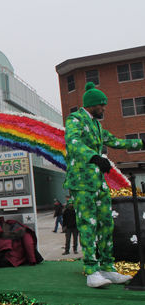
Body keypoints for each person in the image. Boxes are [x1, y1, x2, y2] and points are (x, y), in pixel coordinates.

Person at [64, 82, 144, 288]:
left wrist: (142, 143)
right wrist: (94, 157)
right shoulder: (76, 119)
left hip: (98, 182)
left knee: (106, 224)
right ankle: (91, 271)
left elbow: (117, 142)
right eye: (102, 105)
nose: (104, 109)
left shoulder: (97, 125)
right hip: (82, 182)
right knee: (88, 224)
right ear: (93, 104)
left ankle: (108, 267)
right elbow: (72, 142)